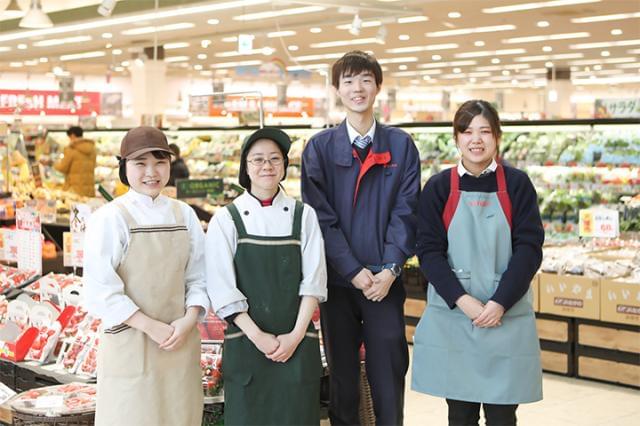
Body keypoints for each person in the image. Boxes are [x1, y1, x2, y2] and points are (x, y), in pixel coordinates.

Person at [301, 50, 420, 425]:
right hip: (338, 283)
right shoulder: (319, 149)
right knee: (343, 379)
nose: (358, 88)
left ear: (378, 86)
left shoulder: (400, 146)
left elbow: (408, 211)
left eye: (365, 79)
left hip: (385, 284)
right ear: (337, 89)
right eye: (348, 81)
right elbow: (321, 217)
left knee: (389, 373)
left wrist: (390, 268)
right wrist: (352, 270)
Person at [412, 100, 544, 426]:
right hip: (456, 317)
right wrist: (463, 301)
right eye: (467, 131)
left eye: (485, 130)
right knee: (460, 414)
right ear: (456, 138)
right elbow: (428, 252)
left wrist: (500, 302)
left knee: (502, 415)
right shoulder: (439, 187)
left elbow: (529, 248)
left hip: (506, 315)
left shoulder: (517, 185)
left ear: (497, 136)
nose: (476, 139)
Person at [83, 126, 209, 426]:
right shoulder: (110, 218)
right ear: (124, 169)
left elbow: (199, 276)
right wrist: (150, 326)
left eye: (160, 162)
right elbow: (101, 289)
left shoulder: (184, 215)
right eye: (140, 164)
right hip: (131, 342)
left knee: (180, 415)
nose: (151, 172)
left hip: (180, 342)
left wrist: (190, 319)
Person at [205, 128, 327, 425]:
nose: (267, 167)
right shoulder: (226, 218)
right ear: (245, 168)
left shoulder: (304, 215)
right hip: (247, 343)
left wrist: (295, 335)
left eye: (275, 159)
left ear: (285, 165)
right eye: (258, 160)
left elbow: (313, 281)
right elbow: (222, 288)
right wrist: (258, 337)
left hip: (297, 343)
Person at [54, 126, 97, 197]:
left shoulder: (71, 149)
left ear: (73, 135)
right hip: (89, 189)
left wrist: (54, 164)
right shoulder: (92, 149)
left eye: (69, 137)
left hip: (74, 190)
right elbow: (94, 165)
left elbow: (63, 168)